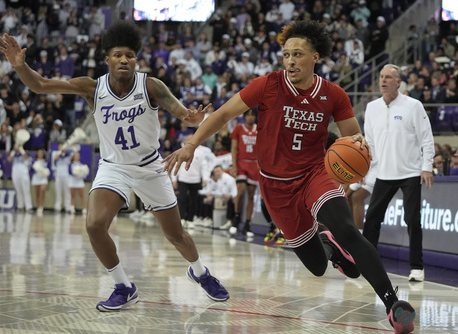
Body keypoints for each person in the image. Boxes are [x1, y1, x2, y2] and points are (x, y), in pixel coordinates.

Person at [163, 20, 416, 334]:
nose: (291, 60)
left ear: (315, 57)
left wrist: (359, 145)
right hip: (275, 186)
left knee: (348, 228)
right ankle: (329, 247)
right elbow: (224, 114)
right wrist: (190, 144)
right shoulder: (268, 84)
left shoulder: (334, 94)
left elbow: (352, 138)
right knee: (317, 266)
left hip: (315, 174)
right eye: (286, 55)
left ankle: (394, 305)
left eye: (298, 54)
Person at [0, 21, 229, 311]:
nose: (124, 59)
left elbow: (181, 112)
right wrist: (20, 66)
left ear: (136, 60)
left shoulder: (151, 85)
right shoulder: (92, 87)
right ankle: (123, 285)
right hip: (114, 167)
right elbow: (40, 85)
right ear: (107, 58)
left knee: (176, 235)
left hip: (149, 167)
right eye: (118, 54)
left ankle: (200, 272)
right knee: (95, 225)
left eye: (130, 55)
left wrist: (191, 118)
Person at [363, 64, 435, 284]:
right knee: (372, 220)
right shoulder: (372, 107)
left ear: (398, 82)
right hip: (383, 173)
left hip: (410, 172)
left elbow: (426, 138)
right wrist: (365, 170)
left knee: (413, 219)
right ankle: (365, 264)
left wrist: (427, 166)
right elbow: (370, 144)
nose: (383, 80)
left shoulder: (413, 106)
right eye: (381, 77)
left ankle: (416, 267)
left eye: (388, 77)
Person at [228, 109, 259, 237]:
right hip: (241, 162)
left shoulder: (260, 129)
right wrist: (234, 166)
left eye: (252, 115)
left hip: (254, 164)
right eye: (248, 115)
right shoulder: (238, 129)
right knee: (240, 191)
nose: (250, 117)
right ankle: (236, 218)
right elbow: (234, 148)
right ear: (245, 117)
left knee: (251, 195)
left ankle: (247, 223)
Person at [52, 143, 73, 213]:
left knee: (67, 191)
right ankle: (58, 206)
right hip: (58, 175)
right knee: (58, 191)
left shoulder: (68, 154)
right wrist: (60, 151)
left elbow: (72, 156)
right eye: (60, 147)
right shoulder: (56, 154)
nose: (61, 148)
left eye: (62, 146)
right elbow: (55, 158)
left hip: (66, 175)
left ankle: (68, 207)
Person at [31, 148, 50, 216]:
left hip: (43, 178)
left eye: (41, 153)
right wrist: (36, 169)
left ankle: (42, 205)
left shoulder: (46, 162)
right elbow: (31, 170)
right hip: (36, 177)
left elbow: (48, 170)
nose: (40, 154)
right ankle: (38, 206)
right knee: (37, 193)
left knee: (42, 190)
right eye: (39, 153)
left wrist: (43, 171)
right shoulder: (34, 161)